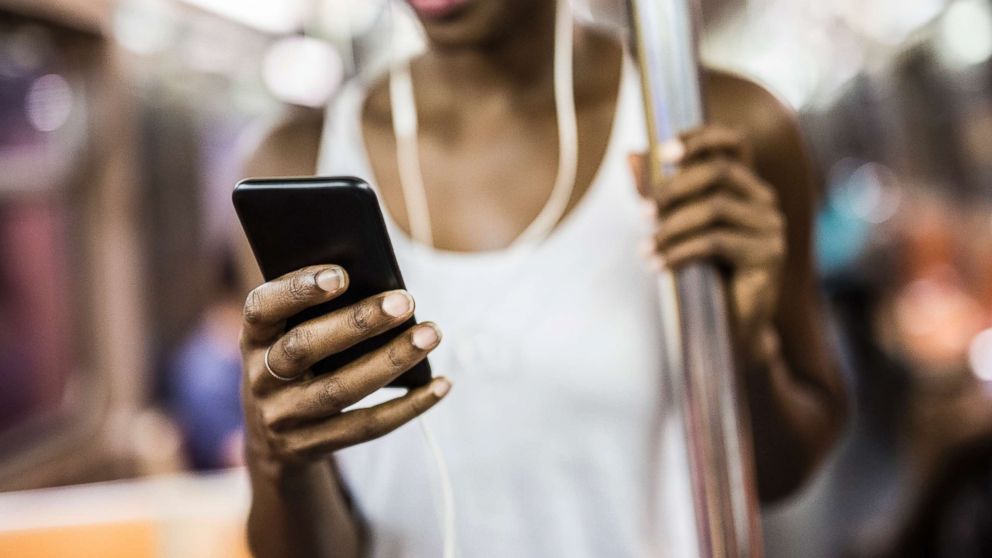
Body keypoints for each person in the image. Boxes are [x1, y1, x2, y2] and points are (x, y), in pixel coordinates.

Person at [238, 1, 847, 556]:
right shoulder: (298, 165)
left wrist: (745, 347)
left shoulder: (710, 130)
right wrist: (277, 461)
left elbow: (783, 473)